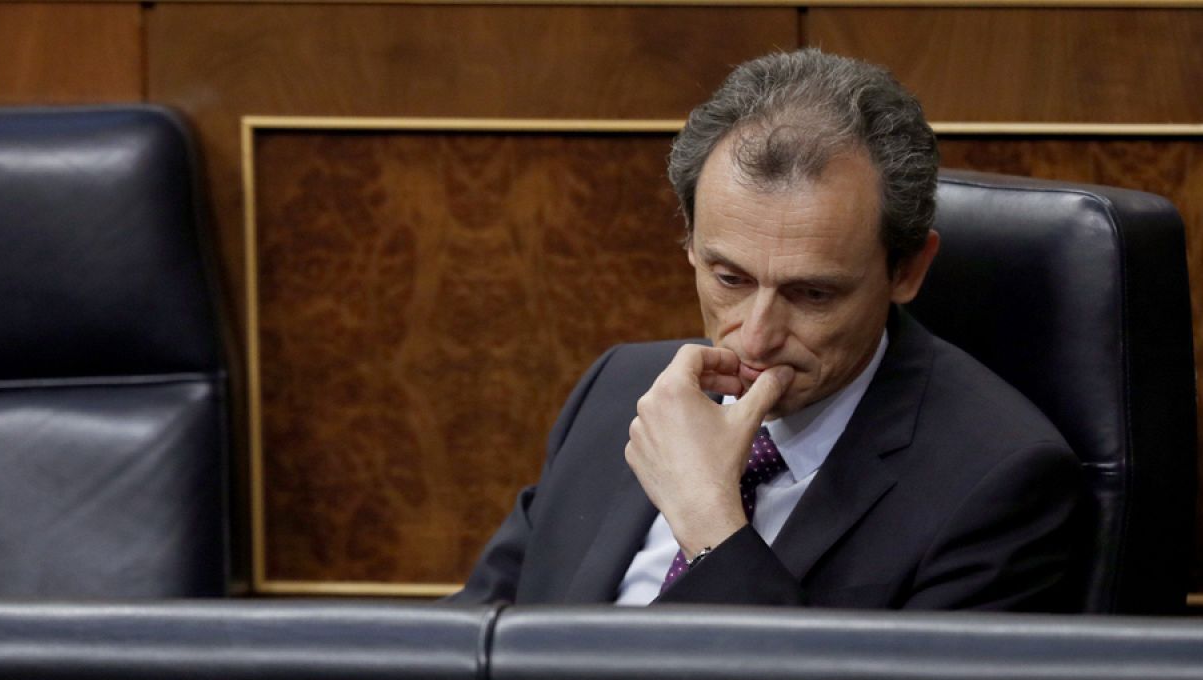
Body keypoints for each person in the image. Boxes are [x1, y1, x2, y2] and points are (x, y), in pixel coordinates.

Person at [450, 48, 1084, 611]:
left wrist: (710, 520)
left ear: (908, 270)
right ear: (691, 247)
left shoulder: (999, 483)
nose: (755, 338)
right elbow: (476, 637)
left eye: (812, 294)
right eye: (731, 280)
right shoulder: (622, 388)